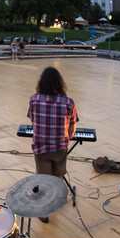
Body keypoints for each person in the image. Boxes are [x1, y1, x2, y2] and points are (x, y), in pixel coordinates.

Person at [27, 67, 78, 223]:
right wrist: (63, 139)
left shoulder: (34, 99)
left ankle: (44, 213)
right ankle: (56, 201)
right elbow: (72, 129)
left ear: (41, 83)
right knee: (58, 177)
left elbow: (33, 120)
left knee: (43, 179)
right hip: (59, 148)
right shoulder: (68, 102)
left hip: (41, 147)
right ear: (59, 83)